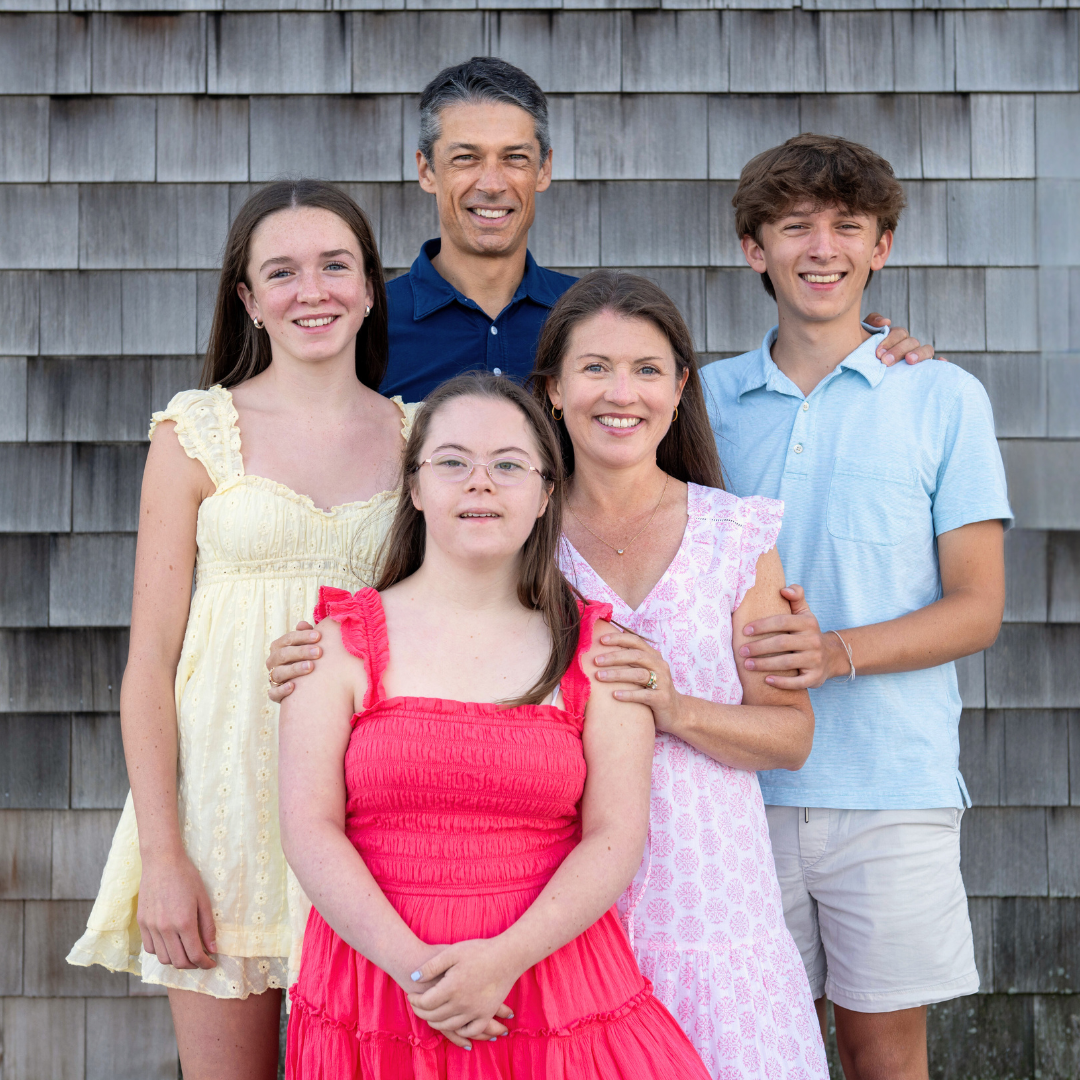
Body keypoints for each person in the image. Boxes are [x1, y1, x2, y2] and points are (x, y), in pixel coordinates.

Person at [68, 180, 419, 1080]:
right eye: (283, 272)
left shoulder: (420, 441)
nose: (314, 291)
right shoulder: (196, 433)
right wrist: (163, 854)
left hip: (370, 812)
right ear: (248, 299)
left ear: (370, 288)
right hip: (221, 809)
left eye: (336, 266)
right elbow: (148, 664)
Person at [279, 374, 712, 1079]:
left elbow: (616, 834)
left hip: (549, 985)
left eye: (508, 465)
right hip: (382, 988)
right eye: (452, 462)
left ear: (546, 494)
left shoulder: (598, 652)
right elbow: (308, 828)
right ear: (415, 488)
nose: (479, 483)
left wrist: (502, 961)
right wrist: (424, 977)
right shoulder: (336, 643)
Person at [698, 135, 1012, 1080]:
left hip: (891, 784)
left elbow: (978, 608)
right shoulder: (698, 402)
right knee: (750, 1050)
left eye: (848, 226)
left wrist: (834, 652)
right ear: (756, 250)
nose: (821, 246)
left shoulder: (943, 396)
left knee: (885, 1051)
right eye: (795, 226)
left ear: (882, 248)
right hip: (731, 786)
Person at [535, 270, 830, 1079]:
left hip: (712, 903)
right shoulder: (520, 534)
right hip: (559, 898)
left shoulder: (736, 536)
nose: (619, 392)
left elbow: (790, 733)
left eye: (646, 369)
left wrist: (674, 704)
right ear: (553, 390)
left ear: (679, 388)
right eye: (593, 368)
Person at [381, 55, 930, 402]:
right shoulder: (368, 330)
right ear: (426, 169)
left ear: (544, 168)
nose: (493, 183)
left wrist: (868, 350)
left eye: (515, 158)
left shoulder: (597, 316)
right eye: (465, 158)